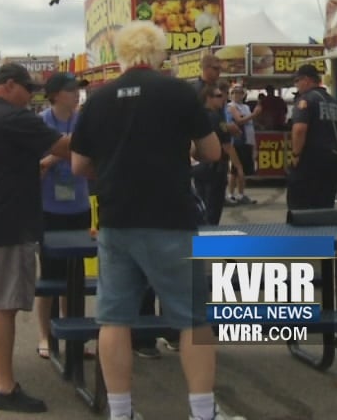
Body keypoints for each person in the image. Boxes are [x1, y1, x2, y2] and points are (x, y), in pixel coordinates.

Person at [69, 21, 241, 420]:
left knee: (113, 320)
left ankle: (121, 412)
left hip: (116, 219)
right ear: (159, 54)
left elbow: (79, 164)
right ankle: (202, 412)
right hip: (171, 218)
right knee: (193, 319)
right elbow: (213, 152)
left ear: (120, 56)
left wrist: (113, 168)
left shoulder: (98, 98)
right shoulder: (179, 93)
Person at [0, 62, 68, 411]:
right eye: (28, 89)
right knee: (4, 308)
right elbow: (64, 146)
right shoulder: (13, 118)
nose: (31, 96)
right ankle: (5, 388)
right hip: (9, 223)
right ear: (8, 86)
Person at [34, 72, 93, 360]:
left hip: (79, 205)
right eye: (71, 90)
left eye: (78, 90)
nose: (76, 94)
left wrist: (60, 152)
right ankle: (45, 336)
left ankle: (74, 336)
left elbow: (89, 153)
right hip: (49, 208)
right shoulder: (42, 121)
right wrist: (66, 149)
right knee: (49, 276)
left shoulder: (82, 121)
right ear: (56, 94)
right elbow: (39, 162)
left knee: (75, 277)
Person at [287, 64, 337, 210]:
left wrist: (295, 155)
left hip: (309, 161)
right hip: (331, 161)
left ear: (307, 80)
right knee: (325, 207)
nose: (296, 85)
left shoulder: (305, 100)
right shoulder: (334, 102)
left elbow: (300, 129)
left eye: (297, 81)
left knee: (300, 207)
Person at [195, 82, 232, 225]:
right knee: (213, 210)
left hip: (199, 168)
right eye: (219, 96)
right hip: (215, 168)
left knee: (201, 207)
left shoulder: (197, 116)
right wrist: (237, 166)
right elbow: (226, 145)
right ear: (208, 98)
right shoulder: (217, 117)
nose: (223, 99)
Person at [225, 86, 259, 205]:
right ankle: (231, 194)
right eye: (233, 92)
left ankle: (240, 194)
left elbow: (249, 124)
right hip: (237, 141)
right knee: (236, 169)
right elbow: (239, 120)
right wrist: (254, 114)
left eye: (239, 93)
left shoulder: (245, 107)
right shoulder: (231, 106)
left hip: (247, 141)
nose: (236, 95)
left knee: (242, 169)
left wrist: (254, 145)